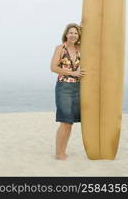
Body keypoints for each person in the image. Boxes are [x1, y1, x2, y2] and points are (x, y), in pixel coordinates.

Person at [50, 23, 86, 160]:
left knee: (70, 123)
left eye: (76, 33)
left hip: (78, 88)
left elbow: (89, 38)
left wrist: (83, 26)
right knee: (65, 121)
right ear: (66, 34)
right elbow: (53, 68)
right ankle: (59, 153)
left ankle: (62, 151)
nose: (73, 35)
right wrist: (73, 73)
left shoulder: (80, 48)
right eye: (71, 32)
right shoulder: (60, 48)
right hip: (64, 87)